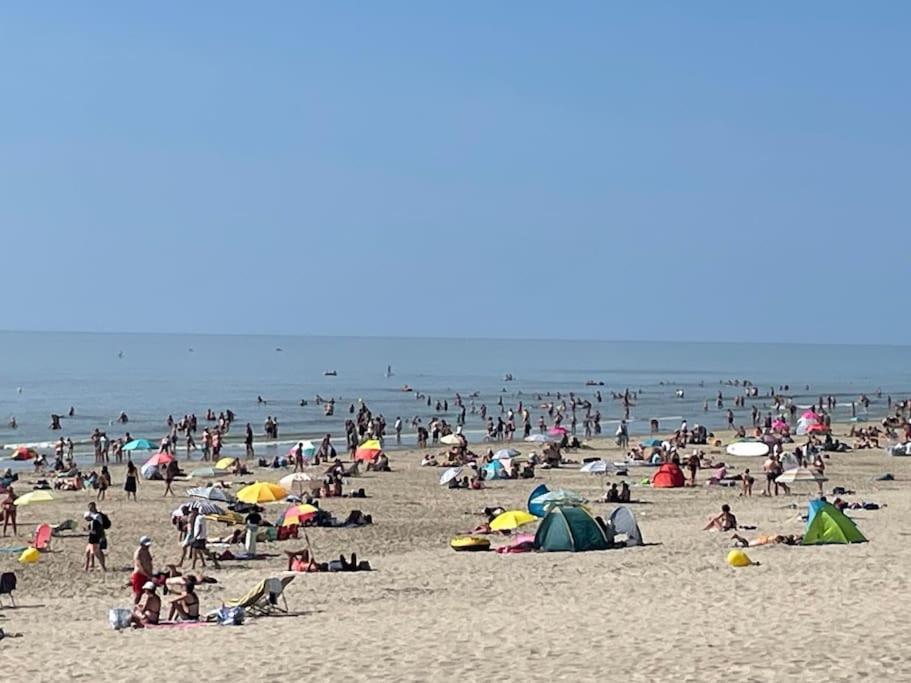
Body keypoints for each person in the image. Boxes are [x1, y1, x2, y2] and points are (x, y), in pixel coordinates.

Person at [131, 536, 154, 604]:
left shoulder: (146, 551)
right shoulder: (138, 553)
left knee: (148, 593)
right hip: (140, 575)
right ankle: (135, 606)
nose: (148, 547)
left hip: (147, 575)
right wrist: (148, 575)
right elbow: (139, 567)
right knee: (138, 594)